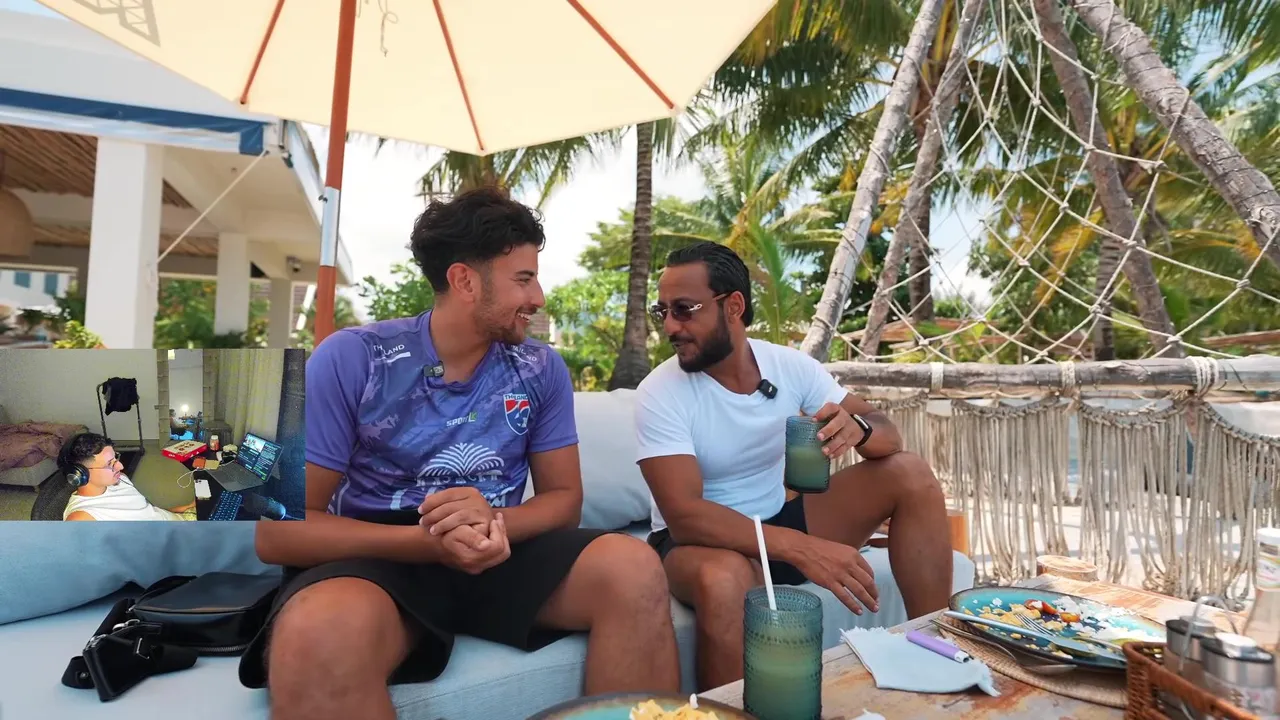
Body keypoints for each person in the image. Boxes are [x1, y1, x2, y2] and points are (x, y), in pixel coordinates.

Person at [241, 188, 680, 720]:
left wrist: (492, 524)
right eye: (524, 279)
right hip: (377, 559)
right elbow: (276, 533)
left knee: (632, 567)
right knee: (317, 635)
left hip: (497, 548)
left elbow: (564, 500)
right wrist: (429, 544)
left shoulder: (540, 368)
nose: (539, 297)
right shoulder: (354, 358)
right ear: (465, 281)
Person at [635, 242, 953, 691]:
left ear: (733, 306)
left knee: (910, 473)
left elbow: (888, 434)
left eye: (684, 309)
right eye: (662, 311)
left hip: (779, 520)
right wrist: (802, 548)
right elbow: (685, 516)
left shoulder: (788, 366)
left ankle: (936, 651)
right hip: (699, 544)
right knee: (725, 578)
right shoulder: (660, 392)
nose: (670, 326)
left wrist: (858, 428)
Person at [60, 432, 197, 521]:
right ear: (80, 474)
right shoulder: (82, 518)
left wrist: (183, 509)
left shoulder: (120, 479)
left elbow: (146, 511)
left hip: (180, 521)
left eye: (116, 458)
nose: (120, 466)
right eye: (109, 464)